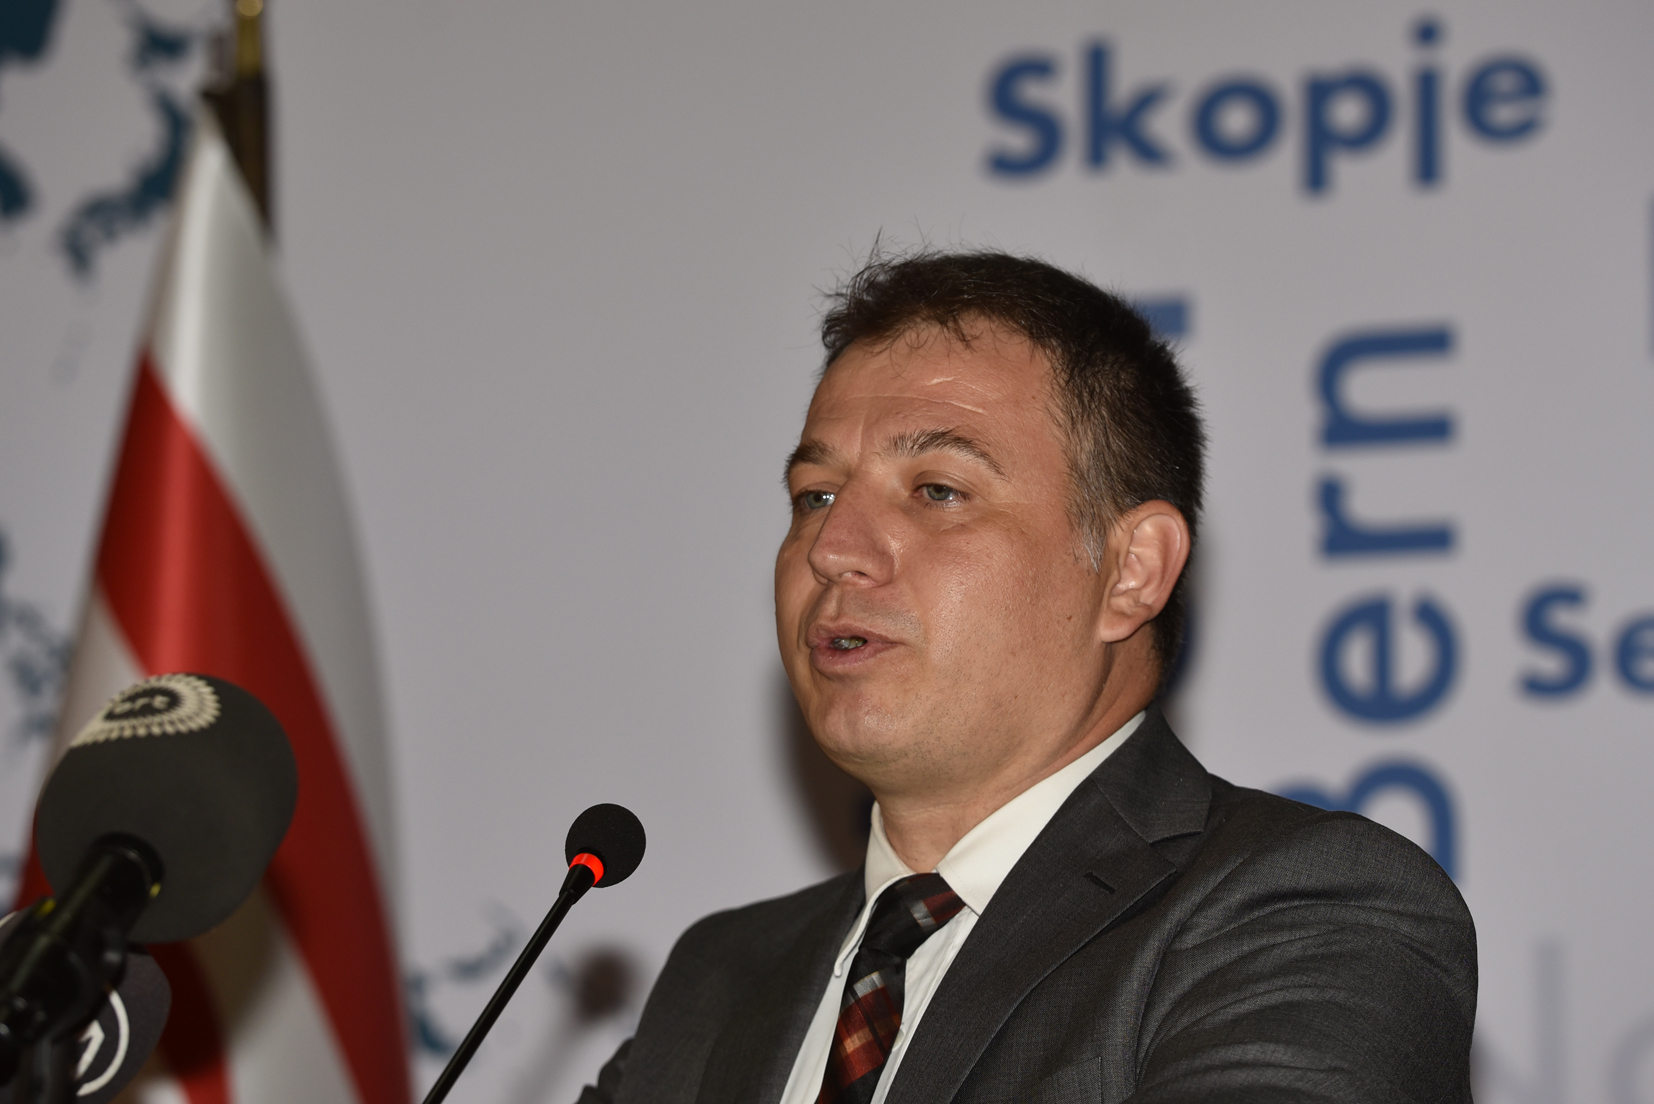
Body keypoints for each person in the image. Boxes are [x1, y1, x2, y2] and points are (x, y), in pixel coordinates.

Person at [579, 250, 1475, 1104]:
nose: (833, 548)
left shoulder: (1301, 910)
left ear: (1131, 572)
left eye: (937, 490)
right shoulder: (720, 978)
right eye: (815, 495)